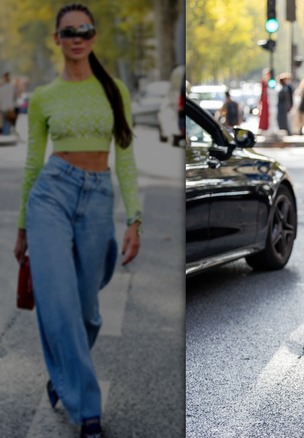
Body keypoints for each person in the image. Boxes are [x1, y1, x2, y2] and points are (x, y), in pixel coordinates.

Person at [12, 4, 142, 437]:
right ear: (57, 39)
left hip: (98, 196)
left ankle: (62, 377)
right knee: (59, 306)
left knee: (88, 315)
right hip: (50, 196)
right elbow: (33, 164)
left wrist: (134, 218)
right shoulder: (46, 96)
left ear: (93, 35)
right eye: (69, 31)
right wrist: (22, 228)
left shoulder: (113, 90)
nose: (77, 37)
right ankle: (88, 411)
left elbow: (124, 157)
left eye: (84, 29)